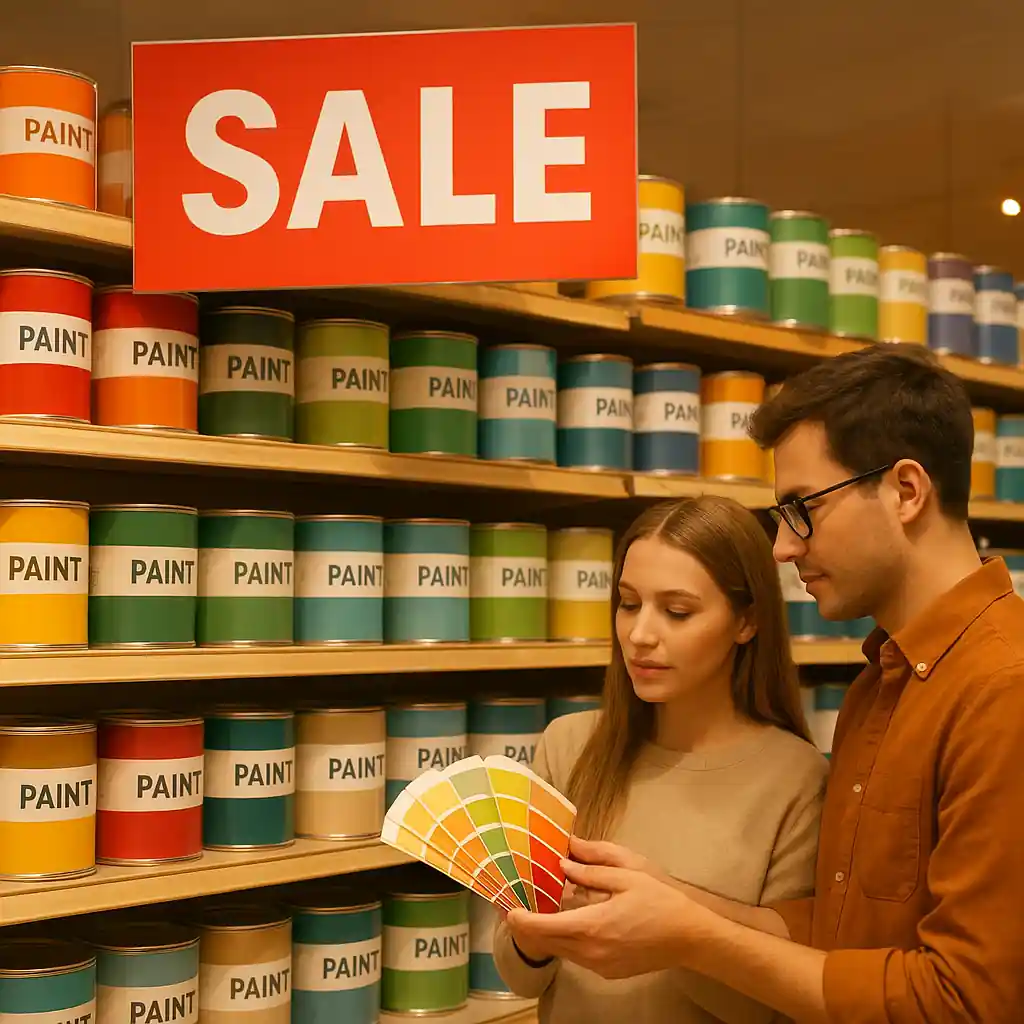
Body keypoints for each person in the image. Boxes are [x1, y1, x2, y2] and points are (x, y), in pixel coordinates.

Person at [505, 343, 1024, 1023]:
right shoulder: (880, 685)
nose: (783, 546)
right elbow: (840, 932)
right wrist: (674, 903)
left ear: (905, 491)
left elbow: (970, 1002)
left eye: (803, 507)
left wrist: (689, 934)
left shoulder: (1003, 688)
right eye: (628, 603)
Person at [492, 494, 829, 1023]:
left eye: (677, 612)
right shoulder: (566, 746)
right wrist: (532, 932)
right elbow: (520, 975)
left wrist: (669, 927)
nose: (641, 635)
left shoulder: (797, 778)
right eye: (628, 604)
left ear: (747, 622)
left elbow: (773, 1001)